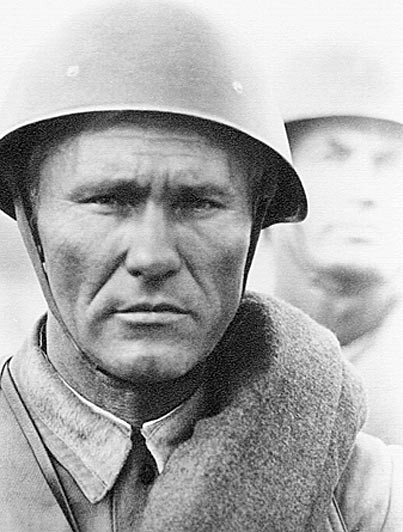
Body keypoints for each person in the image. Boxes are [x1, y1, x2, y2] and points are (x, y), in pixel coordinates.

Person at [0, 3, 401, 530]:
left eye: (199, 203)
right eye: (108, 200)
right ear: (33, 221)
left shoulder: (370, 499)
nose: (152, 257)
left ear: (255, 226)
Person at [270, 44, 403, 445]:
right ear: (275, 183)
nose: (365, 192)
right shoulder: (210, 353)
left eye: (389, 161)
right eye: (334, 156)